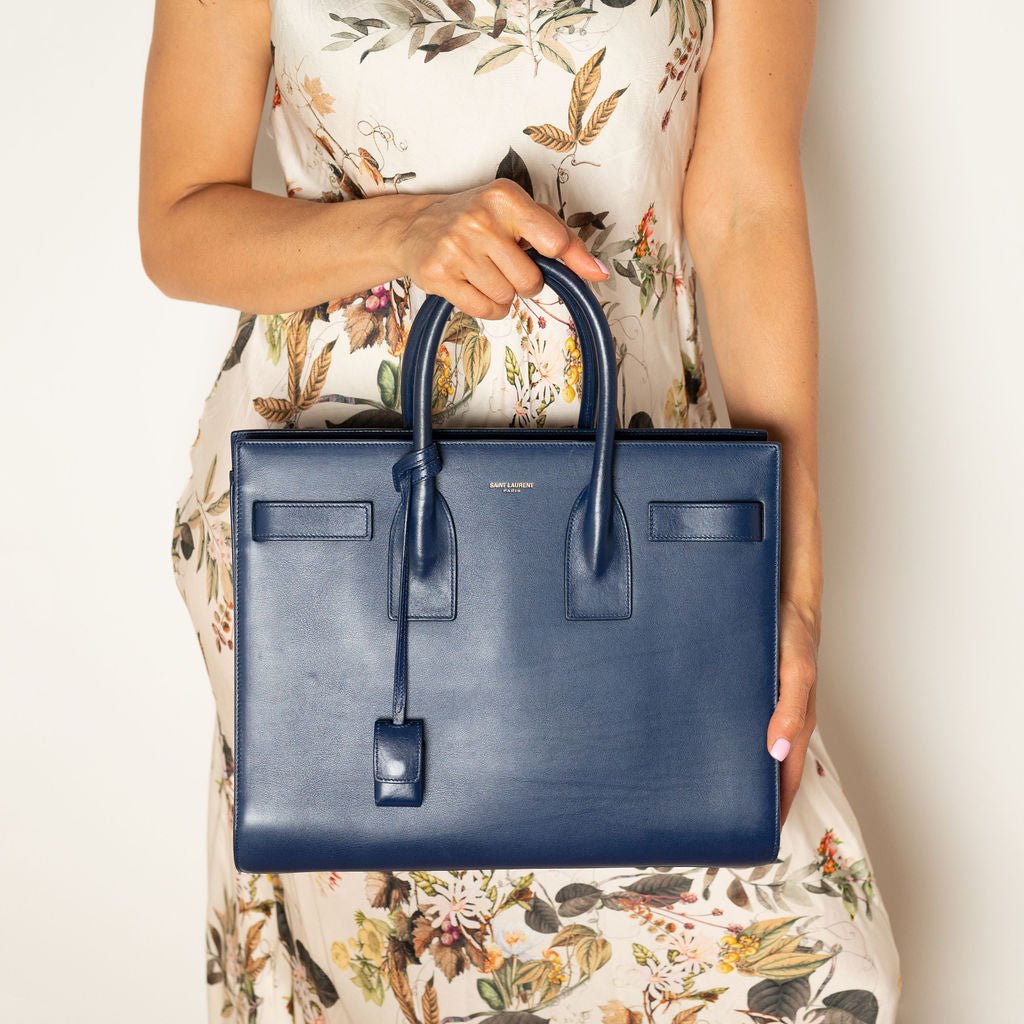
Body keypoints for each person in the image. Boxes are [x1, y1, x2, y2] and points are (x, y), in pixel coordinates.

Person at [139, 0, 901, 1019]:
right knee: (392, 987)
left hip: (643, 532)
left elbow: (746, 209)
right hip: (340, 554)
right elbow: (178, 221)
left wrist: (795, 588)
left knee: (823, 976)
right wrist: (403, 229)